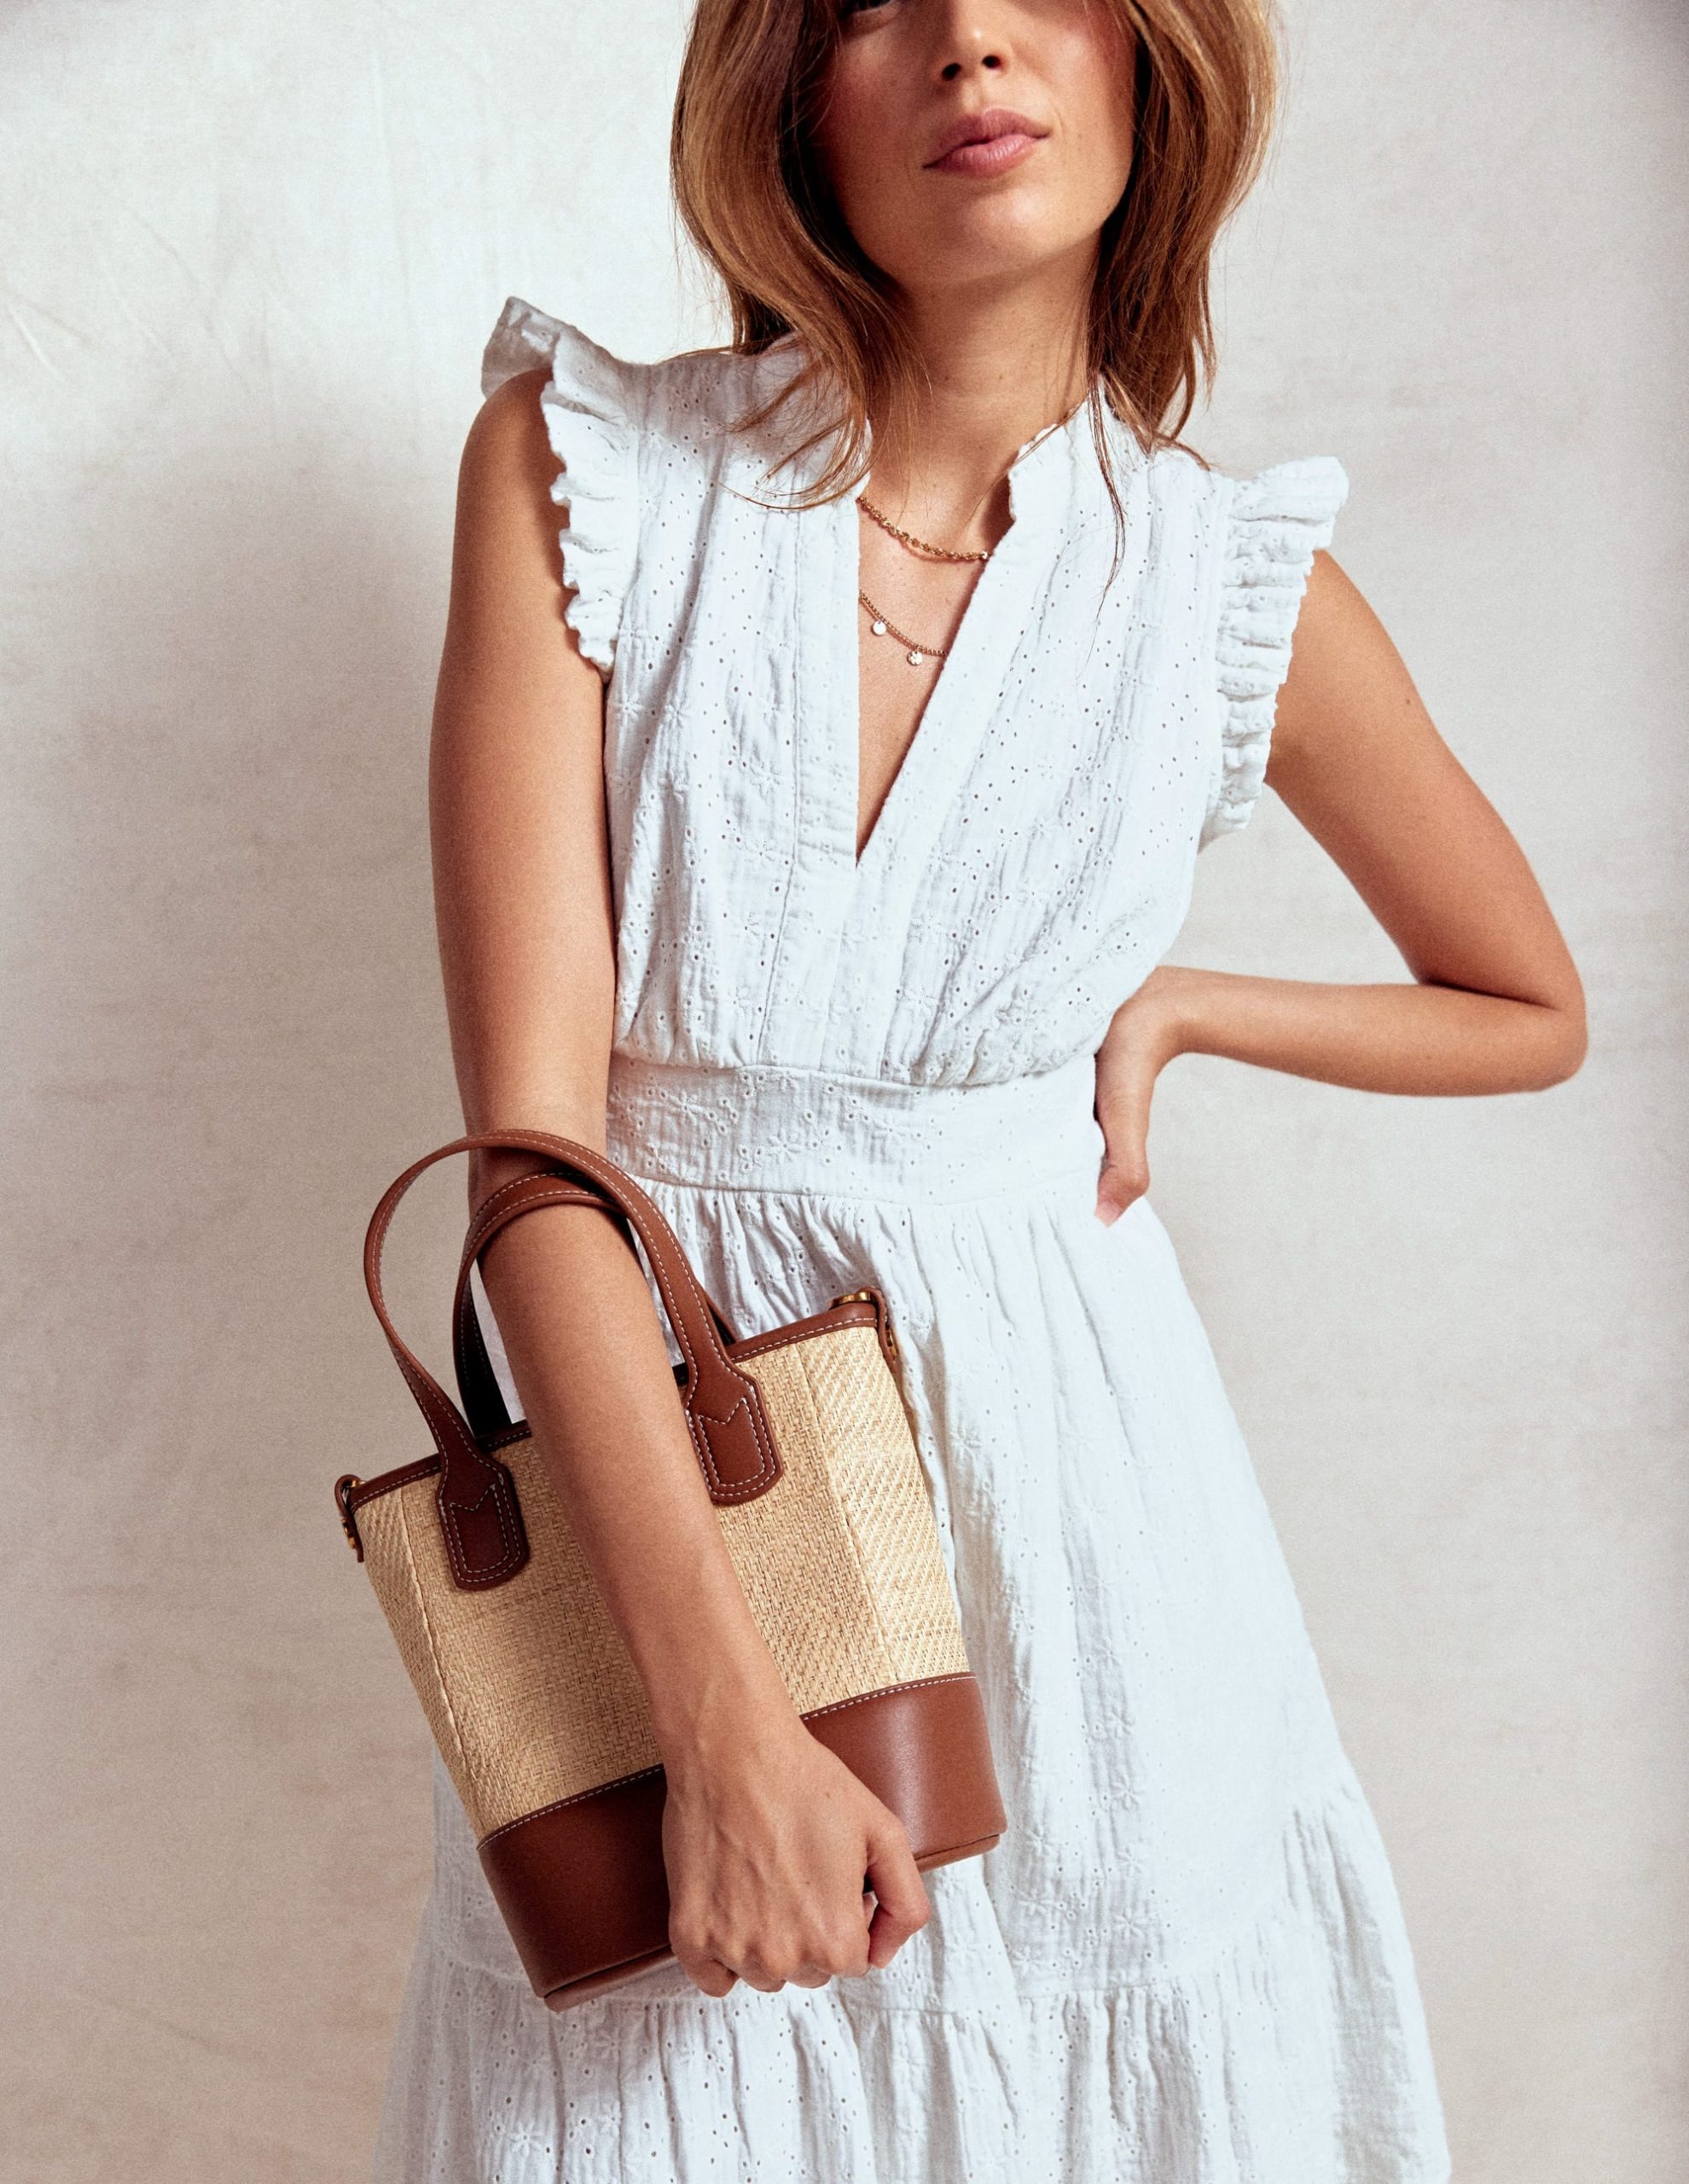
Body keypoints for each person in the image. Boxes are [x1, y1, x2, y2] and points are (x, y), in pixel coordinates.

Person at [371, 0, 1586, 2176]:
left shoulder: (1222, 584)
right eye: (877, 4)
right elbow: (538, 1166)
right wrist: (724, 1718)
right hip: (673, 1531)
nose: (969, 45)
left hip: (1092, 1544)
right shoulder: (591, 477)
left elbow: (1527, 998)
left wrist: (1191, 1004)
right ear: (790, 96)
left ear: (1153, 63)